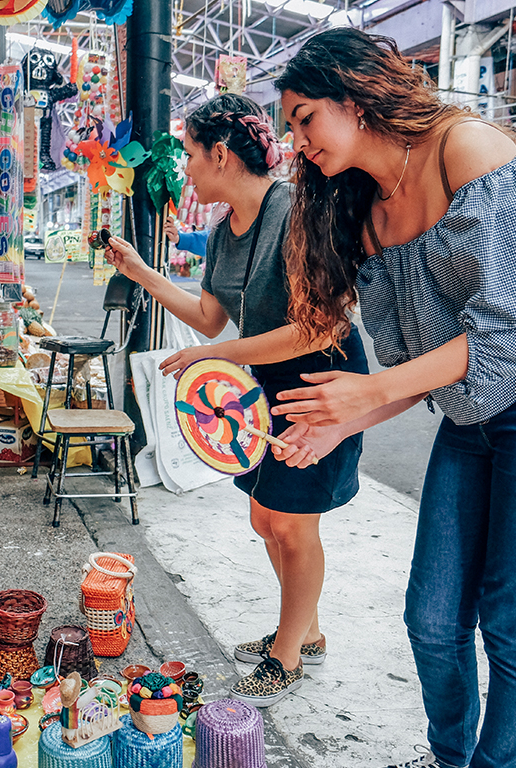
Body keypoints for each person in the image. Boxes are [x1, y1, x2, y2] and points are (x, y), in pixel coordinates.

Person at [271, 27, 516, 768]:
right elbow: (420, 366)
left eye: (305, 118)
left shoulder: (467, 147)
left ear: (353, 100)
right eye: (290, 127)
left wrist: (365, 393)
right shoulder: (366, 213)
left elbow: (514, 321)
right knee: (431, 618)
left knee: (515, 621)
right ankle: (452, 757)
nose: (300, 142)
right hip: (476, 408)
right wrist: (342, 423)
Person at [103, 93, 368, 707]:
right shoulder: (223, 232)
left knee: (292, 525)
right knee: (262, 516)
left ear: (220, 154)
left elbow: (321, 327)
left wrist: (216, 356)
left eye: (191, 155)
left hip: (320, 384)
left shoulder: (294, 212)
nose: (188, 170)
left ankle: (286, 655)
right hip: (263, 386)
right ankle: (309, 630)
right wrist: (141, 270)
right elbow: (210, 316)